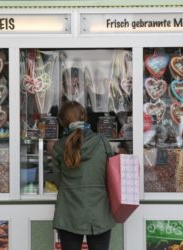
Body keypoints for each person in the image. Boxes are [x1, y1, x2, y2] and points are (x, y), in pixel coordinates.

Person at [51, 100, 115, 250]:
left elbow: (57, 180)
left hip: (68, 215)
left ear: (62, 122)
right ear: (85, 117)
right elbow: (111, 177)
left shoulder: (59, 147)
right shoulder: (102, 142)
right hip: (99, 212)